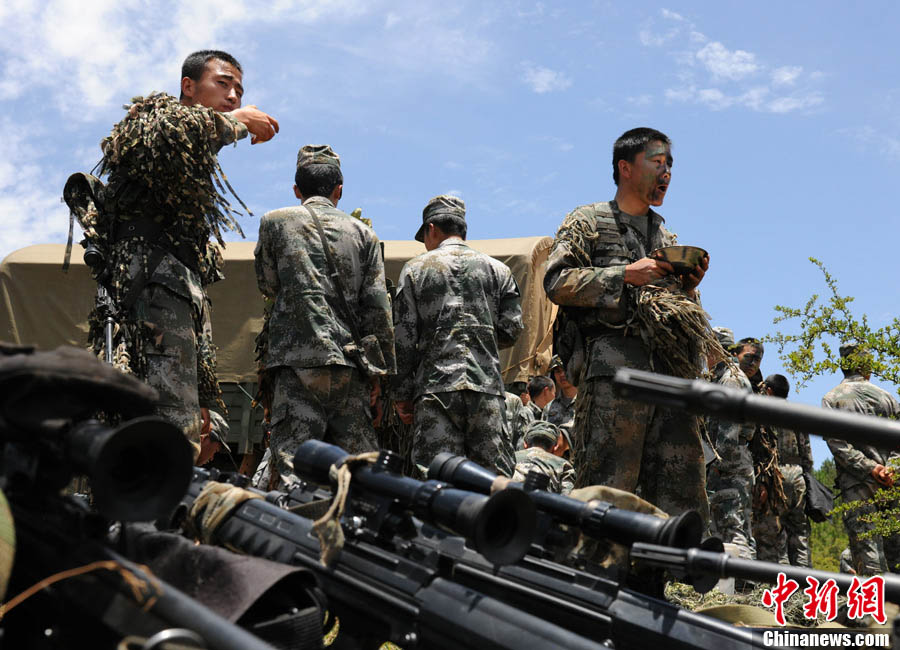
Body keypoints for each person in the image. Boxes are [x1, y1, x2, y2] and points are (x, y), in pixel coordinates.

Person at [87, 50, 279, 457]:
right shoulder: (153, 118)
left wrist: (205, 404)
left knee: (179, 431)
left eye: (239, 91)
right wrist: (237, 123)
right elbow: (170, 134)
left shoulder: (189, 181)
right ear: (188, 87)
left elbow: (191, 320)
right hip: (146, 290)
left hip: (174, 292)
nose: (232, 95)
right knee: (158, 432)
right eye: (223, 83)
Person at [543, 127, 710, 524]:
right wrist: (623, 275)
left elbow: (681, 312)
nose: (666, 170)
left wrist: (688, 289)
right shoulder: (588, 221)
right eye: (657, 161)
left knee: (679, 484)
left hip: (671, 373)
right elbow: (556, 282)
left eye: (670, 163)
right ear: (625, 168)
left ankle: (666, 577)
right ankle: (595, 576)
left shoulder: (667, 236)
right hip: (614, 371)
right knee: (607, 487)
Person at [254, 145, 395, 486]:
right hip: (349, 367)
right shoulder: (364, 235)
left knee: (293, 465)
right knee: (358, 469)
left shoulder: (274, 223)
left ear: (296, 190)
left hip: (295, 363)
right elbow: (377, 307)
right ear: (339, 190)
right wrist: (381, 375)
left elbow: (268, 285)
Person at [393, 195, 523, 476]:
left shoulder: (415, 270)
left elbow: (403, 338)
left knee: (435, 480)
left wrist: (402, 395)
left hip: (436, 390)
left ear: (431, 229)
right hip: (486, 389)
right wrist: (479, 339)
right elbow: (512, 330)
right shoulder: (499, 270)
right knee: (492, 481)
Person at [823, 343, 900, 575]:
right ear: (867, 367)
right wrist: (891, 469)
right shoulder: (887, 397)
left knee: (867, 549)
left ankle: (874, 606)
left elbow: (837, 444)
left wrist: (870, 469)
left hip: (858, 484)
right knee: (896, 547)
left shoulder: (832, 398)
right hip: (893, 483)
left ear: (842, 365)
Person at [706, 327, 756, 560]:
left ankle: (745, 585)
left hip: (729, 462)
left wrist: (717, 463)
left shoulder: (731, 380)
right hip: (733, 459)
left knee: (733, 525)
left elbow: (728, 431)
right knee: (733, 525)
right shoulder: (728, 377)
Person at [753, 374, 813, 566]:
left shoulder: (763, 412)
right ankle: (804, 583)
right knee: (800, 533)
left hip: (775, 475)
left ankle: (773, 585)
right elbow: (807, 453)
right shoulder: (798, 414)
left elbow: (761, 450)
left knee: (771, 532)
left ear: (769, 391)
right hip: (797, 476)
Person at [511, 421, 576, 494]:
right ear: (555, 447)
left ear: (525, 444)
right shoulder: (564, 466)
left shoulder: (511, 458)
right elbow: (567, 499)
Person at [545, 356, 577, 427]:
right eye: (558, 371)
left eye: (565, 370)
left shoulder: (586, 403)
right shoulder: (549, 407)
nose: (562, 374)